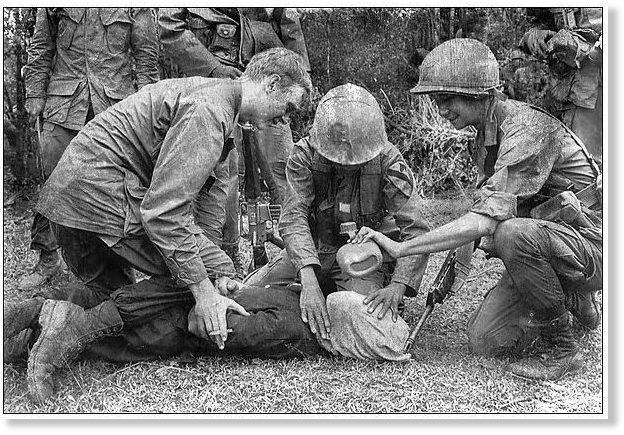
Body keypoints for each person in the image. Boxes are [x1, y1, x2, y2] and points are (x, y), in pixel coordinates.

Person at [31, 48, 312, 354]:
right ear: (272, 84)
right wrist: (204, 292)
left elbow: (197, 209)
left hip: (71, 200)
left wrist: (218, 271)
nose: (285, 119)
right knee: (191, 275)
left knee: (111, 304)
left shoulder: (217, 101)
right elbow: (163, 214)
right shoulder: (209, 111)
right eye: (288, 107)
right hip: (94, 197)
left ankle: (29, 318)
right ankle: (72, 330)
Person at [352, 38, 602, 381]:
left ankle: (561, 345)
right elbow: (479, 212)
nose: (441, 110)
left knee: (510, 233)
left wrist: (401, 248)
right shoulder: (485, 135)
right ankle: (571, 296)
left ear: (478, 94)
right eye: (436, 101)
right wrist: (448, 278)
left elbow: (486, 221)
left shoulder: (528, 129)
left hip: (595, 244)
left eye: (447, 99)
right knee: (486, 340)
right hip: (557, 240)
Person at [5, 277, 411, 404]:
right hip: (178, 322)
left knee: (105, 306)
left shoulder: (304, 296)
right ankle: (46, 321)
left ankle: (37, 317)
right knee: (103, 340)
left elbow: (251, 295)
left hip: (177, 296)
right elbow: (214, 331)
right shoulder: (296, 331)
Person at [245, 83, 431, 343]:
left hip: (362, 259)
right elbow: (294, 218)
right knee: (247, 296)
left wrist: (398, 286)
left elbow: (416, 229)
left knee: (366, 320)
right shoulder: (304, 155)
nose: (345, 163)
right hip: (312, 250)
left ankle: (329, 294)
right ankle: (313, 290)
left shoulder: (388, 160)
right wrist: (309, 281)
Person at [159, 8, 311, 273]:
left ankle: (299, 257)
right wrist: (214, 69)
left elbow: (288, 20)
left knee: (285, 174)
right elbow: (169, 25)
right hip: (214, 78)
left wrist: (301, 76)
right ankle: (222, 259)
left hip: (271, 78)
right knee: (221, 178)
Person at [19, 7, 161, 291]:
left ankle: (116, 268)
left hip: (114, 110)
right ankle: (48, 257)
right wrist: (34, 94)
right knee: (52, 182)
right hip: (64, 108)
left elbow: (146, 58)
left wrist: (149, 109)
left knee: (115, 192)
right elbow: (41, 48)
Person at [520, 7, 603, 163]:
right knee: (582, 164)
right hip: (573, 95)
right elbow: (538, 21)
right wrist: (535, 35)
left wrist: (580, 47)